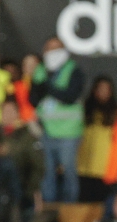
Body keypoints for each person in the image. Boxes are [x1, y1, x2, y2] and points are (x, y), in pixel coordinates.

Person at [30, 38, 85, 203]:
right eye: (49, 49)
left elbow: (70, 96)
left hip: (69, 131)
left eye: (57, 49)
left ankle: (69, 207)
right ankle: (49, 208)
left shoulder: (73, 70)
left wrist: (47, 87)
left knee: (69, 172)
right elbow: (33, 98)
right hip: (47, 130)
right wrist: (48, 87)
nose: (53, 53)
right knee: (47, 173)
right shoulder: (40, 70)